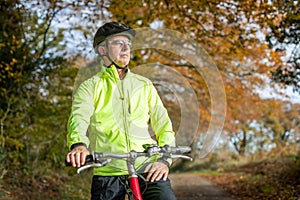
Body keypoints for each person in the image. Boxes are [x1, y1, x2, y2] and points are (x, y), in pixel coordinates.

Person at [65, 22, 177, 200]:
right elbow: (79, 117)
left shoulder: (144, 85)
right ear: (102, 50)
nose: (126, 48)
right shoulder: (90, 87)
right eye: (118, 43)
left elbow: (163, 124)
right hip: (108, 168)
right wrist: (78, 145)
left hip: (146, 166)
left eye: (128, 44)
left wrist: (163, 160)